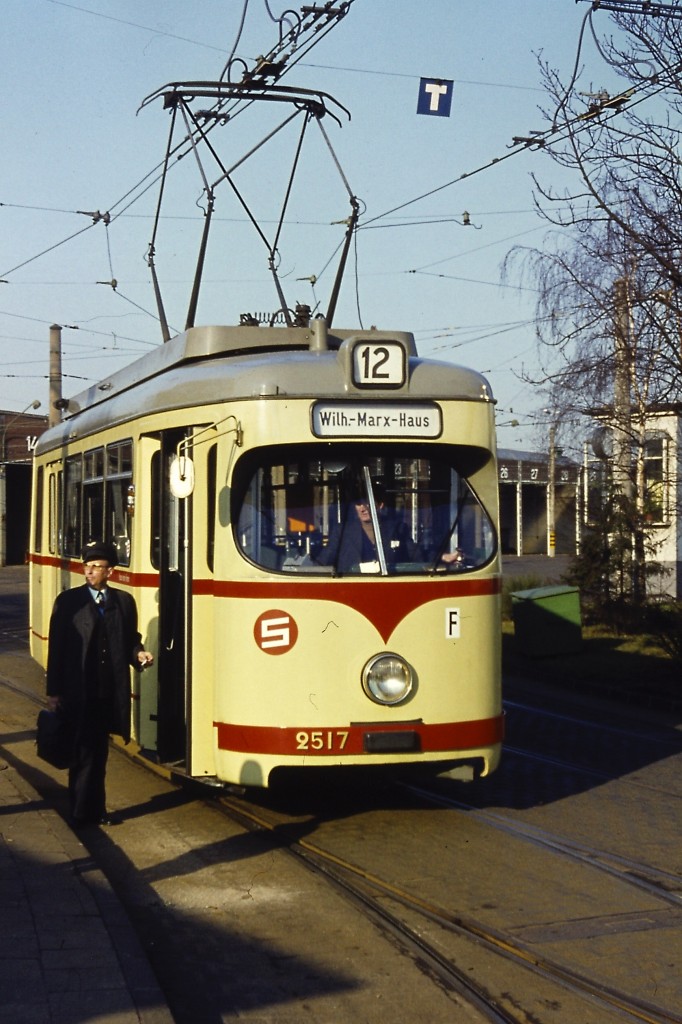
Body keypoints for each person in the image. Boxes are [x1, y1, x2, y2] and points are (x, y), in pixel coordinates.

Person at [46, 540, 154, 827]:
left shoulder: (123, 602)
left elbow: (129, 639)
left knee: (100, 752)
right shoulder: (69, 601)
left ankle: (97, 809)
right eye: (88, 566)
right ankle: (81, 812)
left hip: (108, 691)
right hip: (78, 691)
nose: (90, 572)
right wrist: (54, 693)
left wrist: (138, 654)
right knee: (82, 752)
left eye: (97, 567)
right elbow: (56, 649)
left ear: (111, 571)